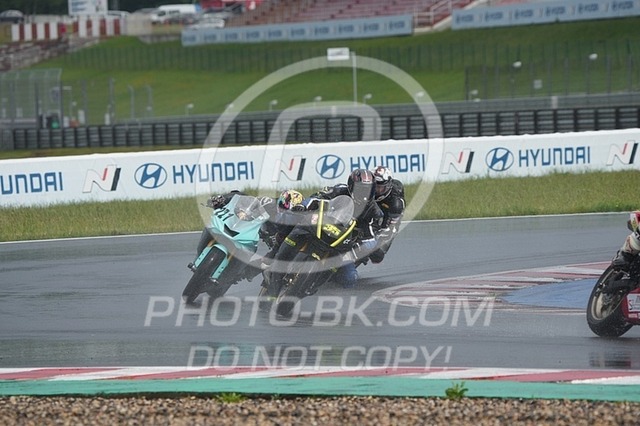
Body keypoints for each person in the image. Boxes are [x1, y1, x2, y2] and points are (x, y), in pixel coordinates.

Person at [302, 168, 385, 288]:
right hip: (323, 226)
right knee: (297, 227)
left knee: (349, 278)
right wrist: (304, 205)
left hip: (344, 245)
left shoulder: (375, 212)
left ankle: (330, 281)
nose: (364, 194)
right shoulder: (339, 190)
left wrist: (357, 246)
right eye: (361, 189)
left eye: (369, 190)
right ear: (351, 186)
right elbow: (316, 197)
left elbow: (372, 239)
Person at [361, 166, 406, 265]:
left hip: (389, 215)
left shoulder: (396, 203)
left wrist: (375, 241)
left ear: (388, 186)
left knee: (377, 256)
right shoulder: (367, 189)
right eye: (375, 186)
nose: (377, 190)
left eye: (381, 187)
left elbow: (391, 229)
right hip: (373, 206)